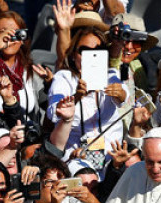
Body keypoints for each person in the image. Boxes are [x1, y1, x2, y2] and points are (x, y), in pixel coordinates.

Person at [46, 26, 126, 161]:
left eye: (98, 51)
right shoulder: (64, 77)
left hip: (110, 152)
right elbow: (53, 113)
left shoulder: (111, 74)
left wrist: (120, 93)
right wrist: (76, 97)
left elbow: (125, 97)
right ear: (73, 54)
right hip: (76, 153)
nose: (91, 56)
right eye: (84, 51)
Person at [0, 11, 50, 124]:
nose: (10, 37)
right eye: (2, 32)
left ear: (23, 38)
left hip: (24, 134)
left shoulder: (31, 71)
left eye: (16, 33)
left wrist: (49, 85)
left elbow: (50, 105)